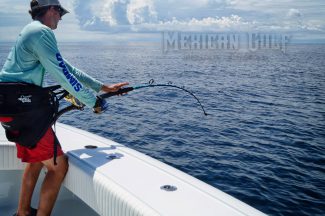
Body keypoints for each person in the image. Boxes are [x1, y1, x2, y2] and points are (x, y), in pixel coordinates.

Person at [0, 0, 129, 215]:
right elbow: (64, 76)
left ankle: (22, 212)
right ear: (52, 10)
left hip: (11, 107)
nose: (61, 17)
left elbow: (67, 68)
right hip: (23, 110)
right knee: (58, 166)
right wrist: (94, 102)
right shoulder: (42, 33)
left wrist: (103, 87)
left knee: (36, 162)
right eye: (61, 13)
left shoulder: (31, 31)